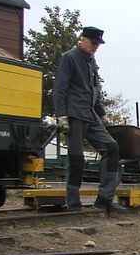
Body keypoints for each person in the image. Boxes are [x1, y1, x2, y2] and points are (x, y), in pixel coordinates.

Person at [53, 26, 127, 215]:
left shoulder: (91, 60)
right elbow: (60, 88)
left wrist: (102, 114)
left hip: (90, 114)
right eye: (93, 43)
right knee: (76, 158)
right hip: (75, 115)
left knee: (112, 148)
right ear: (83, 39)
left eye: (98, 44)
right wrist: (61, 115)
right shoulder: (69, 58)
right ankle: (73, 204)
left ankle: (104, 199)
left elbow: (95, 89)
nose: (96, 47)